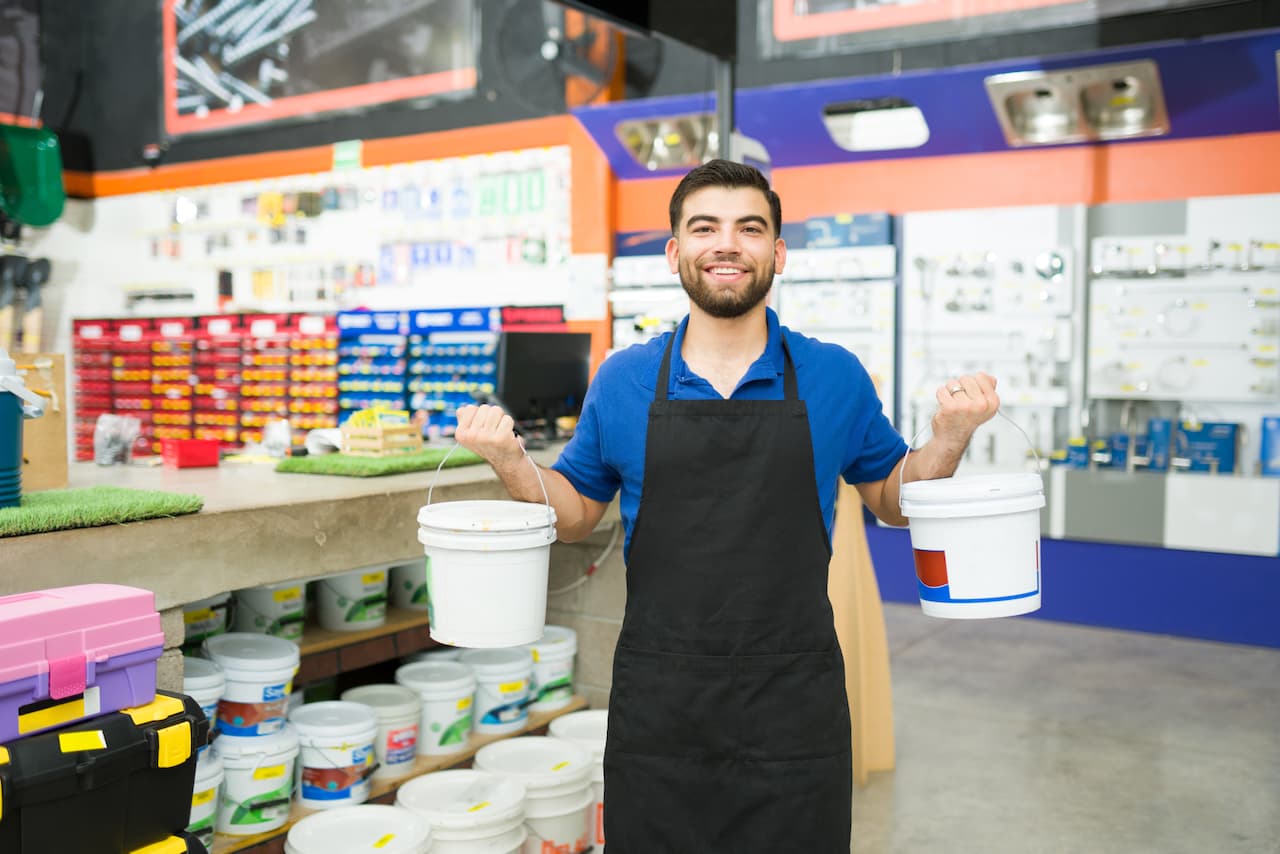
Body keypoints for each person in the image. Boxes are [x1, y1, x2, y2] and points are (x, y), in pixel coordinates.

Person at [455, 159, 999, 853]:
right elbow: (574, 515)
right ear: (675, 250)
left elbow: (894, 499)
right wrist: (511, 461)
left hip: (792, 704)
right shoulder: (623, 380)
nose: (726, 244)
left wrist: (948, 437)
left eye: (749, 227)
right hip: (662, 706)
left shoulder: (833, 374)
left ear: (777, 252)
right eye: (704, 226)